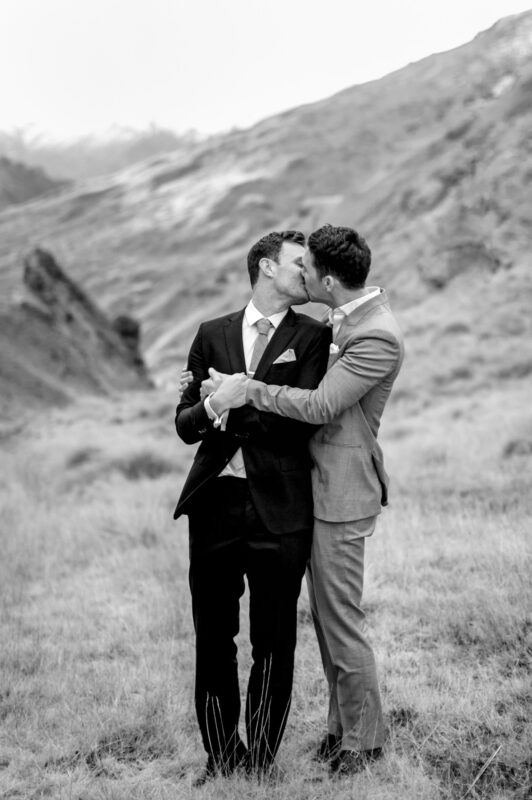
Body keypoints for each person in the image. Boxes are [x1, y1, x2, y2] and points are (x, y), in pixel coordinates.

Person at [203, 224, 405, 777]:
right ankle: (341, 731)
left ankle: (364, 742)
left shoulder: (376, 334)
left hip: (343, 490)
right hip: (315, 486)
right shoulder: (347, 317)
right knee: (325, 619)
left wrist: (247, 388)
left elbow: (319, 407)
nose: (302, 275)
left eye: (307, 268)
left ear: (329, 281)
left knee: (341, 620)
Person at [173, 230, 331, 783]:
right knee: (213, 636)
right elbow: (185, 425)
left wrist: (233, 401)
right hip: (213, 505)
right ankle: (222, 757)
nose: (307, 273)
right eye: (298, 263)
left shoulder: (314, 336)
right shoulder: (210, 333)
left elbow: (299, 422)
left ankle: (262, 759)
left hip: (281, 508)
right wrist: (213, 401)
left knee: (274, 639)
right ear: (266, 267)